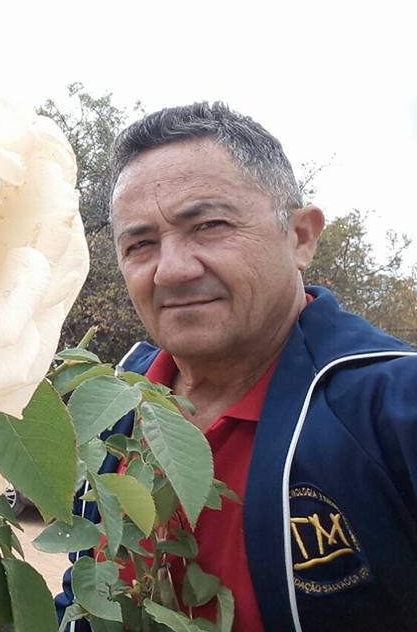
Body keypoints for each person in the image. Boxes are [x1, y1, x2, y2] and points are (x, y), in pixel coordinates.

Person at [55, 102, 417, 632]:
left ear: (300, 237)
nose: (171, 270)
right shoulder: (111, 406)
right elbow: (84, 588)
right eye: (141, 244)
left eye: (209, 226)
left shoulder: (392, 408)